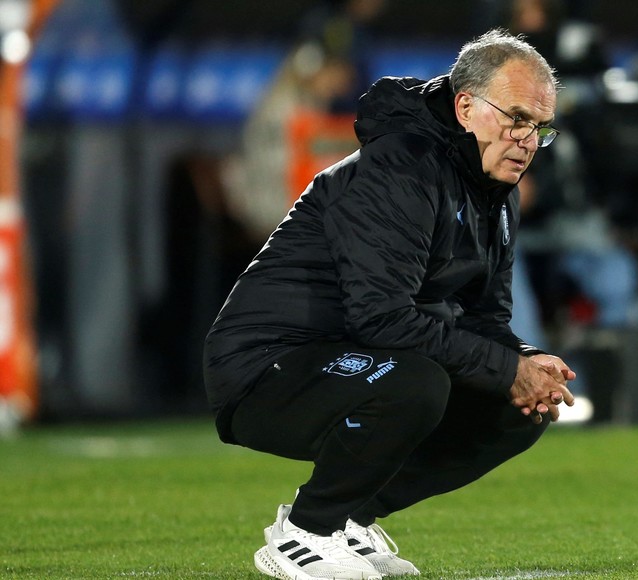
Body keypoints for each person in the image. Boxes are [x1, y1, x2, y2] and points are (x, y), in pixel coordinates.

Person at [203, 29, 576, 580]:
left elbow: (485, 319)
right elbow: (381, 317)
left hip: (367, 358)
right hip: (268, 367)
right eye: (516, 118)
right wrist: (505, 365)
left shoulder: (496, 195)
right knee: (417, 382)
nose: (527, 139)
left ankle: (353, 519)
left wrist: (525, 361)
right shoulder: (400, 169)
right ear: (466, 107)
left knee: (517, 406)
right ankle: (306, 533)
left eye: (539, 128)